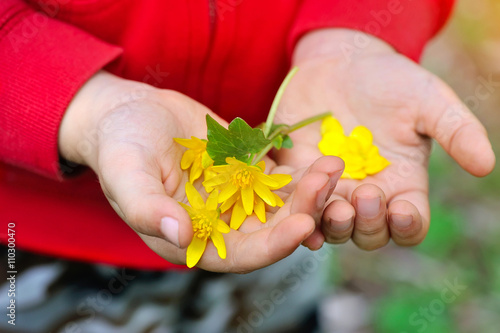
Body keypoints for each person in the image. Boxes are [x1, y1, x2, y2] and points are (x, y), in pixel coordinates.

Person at [0, 0, 494, 272]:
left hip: (281, 209)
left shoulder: (285, 192)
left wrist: (352, 35)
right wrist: (88, 108)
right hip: (33, 242)